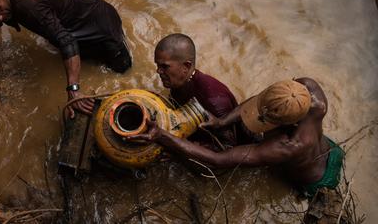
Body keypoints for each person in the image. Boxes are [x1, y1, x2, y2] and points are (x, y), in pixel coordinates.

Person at [128, 78, 344, 198]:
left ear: (288, 125)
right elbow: (263, 100)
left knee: (287, 183)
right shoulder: (307, 91)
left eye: (264, 120)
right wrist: (222, 122)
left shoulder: (286, 146)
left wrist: (161, 135)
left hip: (316, 179)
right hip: (330, 150)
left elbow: (217, 159)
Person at [0, 0, 132, 117]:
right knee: (76, 55)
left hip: (100, 25)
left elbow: (67, 41)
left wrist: (74, 89)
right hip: (73, 25)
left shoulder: (29, 3)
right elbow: (1, 15)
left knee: (122, 70)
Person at [153, 33, 241, 147]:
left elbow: (229, 147)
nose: (158, 71)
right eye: (157, 65)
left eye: (164, 67)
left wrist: (185, 144)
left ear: (186, 67)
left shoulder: (213, 101)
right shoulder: (179, 81)